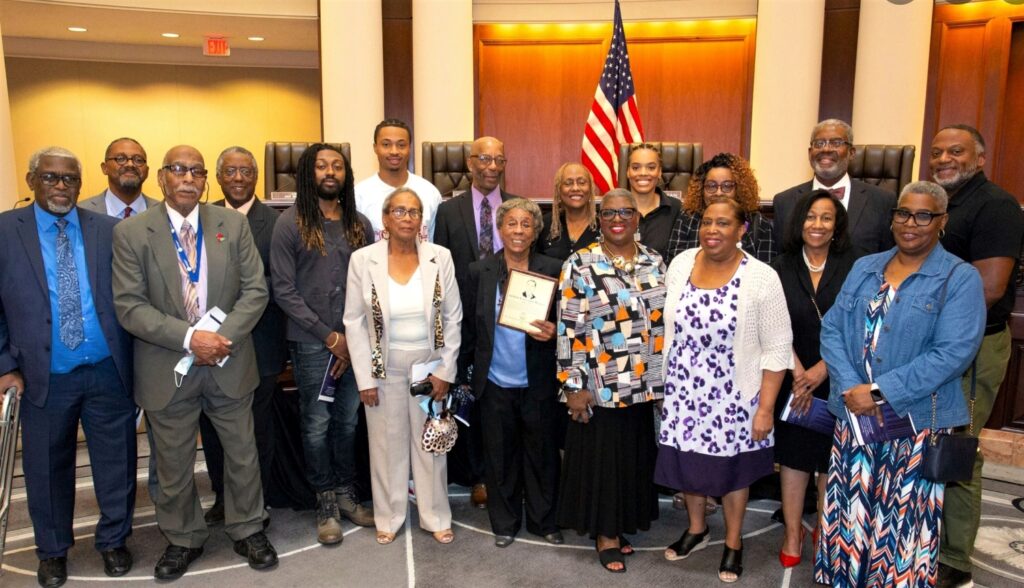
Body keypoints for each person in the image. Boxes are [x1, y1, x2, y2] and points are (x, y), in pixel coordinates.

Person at [112, 145, 277, 579]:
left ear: (206, 180)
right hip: (167, 365)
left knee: (243, 455)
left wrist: (219, 340)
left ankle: (247, 528)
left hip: (228, 359)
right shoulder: (131, 233)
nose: (188, 178)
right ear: (162, 177)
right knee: (173, 463)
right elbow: (130, 306)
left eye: (196, 171)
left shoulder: (232, 225)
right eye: (179, 170)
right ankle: (183, 537)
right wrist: (190, 338)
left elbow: (255, 291)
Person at [815, 181, 986, 587]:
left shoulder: (960, 278)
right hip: (855, 418)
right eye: (903, 213)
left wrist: (877, 392)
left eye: (923, 215)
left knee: (903, 520)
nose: (911, 223)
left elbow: (953, 353)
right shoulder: (865, 266)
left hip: (916, 421)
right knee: (849, 509)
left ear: (942, 221)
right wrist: (852, 387)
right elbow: (833, 329)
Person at [0, 147, 136, 588]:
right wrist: (4, 365)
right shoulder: (4, 231)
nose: (61, 187)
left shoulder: (109, 230)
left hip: (106, 370)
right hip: (43, 375)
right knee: (45, 466)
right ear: (31, 180)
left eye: (69, 180)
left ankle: (114, 540)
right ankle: (53, 550)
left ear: (82, 183)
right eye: (50, 178)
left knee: (116, 461)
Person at [656, 197, 792, 583]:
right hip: (683, 390)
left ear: (742, 229)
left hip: (735, 394)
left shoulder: (762, 276)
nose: (712, 230)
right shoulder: (682, 264)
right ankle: (697, 529)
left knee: (733, 473)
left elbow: (778, 347)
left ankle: (734, 542)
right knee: (688, 465)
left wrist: (765, 409)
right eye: (707, 222)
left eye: (723, 223)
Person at [931, 124, 1024, 588]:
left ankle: (956, 561)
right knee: (929, 445)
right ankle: (927, 540)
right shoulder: (938, 205)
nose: (944, 158)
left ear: (980, 158)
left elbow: (989, 288)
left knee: (959, 450)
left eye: (956, 151)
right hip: (933, 347)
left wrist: (921, 298)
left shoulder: (996, 206)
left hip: (973, 347)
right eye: (937, 152)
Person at [344, 187, 462, 546]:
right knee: (385, 446)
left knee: (431, 442)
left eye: (414, 212)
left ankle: (435, 516)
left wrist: (445, 370)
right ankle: (389, 517)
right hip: (383, 367)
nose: (407, 218)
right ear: (385, 218)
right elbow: (354, 322)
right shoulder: (363, 260)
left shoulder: (440, 257)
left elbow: (453, 318)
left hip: (429, 365)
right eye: (399, 211)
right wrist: (363, 377)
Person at [556, 188, 665, 573]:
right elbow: (570, 328)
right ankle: (605, 534)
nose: (618, 218)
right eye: (609, 213)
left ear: (638, 218)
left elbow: (662, 323)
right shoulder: (580, 263)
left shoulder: (655, 260)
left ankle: (621, 525)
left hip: (644, 383)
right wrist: (572, 386)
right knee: (604, 461)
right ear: (599, 220)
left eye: (626, 212)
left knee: (632, 459)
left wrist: (662, 381)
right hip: (600, 383)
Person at [271, 143, 376, 543]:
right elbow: (284, 290)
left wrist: (352, 337)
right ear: (307, 173)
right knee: (317, 424)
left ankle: (348, 493)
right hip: (313, 342)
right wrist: (329, 336)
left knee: (348, 421)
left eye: (337, 166)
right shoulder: (291, 224)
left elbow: (371, 283)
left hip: (357, 341)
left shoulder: (359, 224)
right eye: (321, 166)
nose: (330, 172)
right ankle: (326, 500)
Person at [460, 198, 563, 548]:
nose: (518, 231)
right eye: (512, 224)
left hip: (538, 380)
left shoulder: (554, 268)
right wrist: (466, 377)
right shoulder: (479, 271)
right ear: (500, 229)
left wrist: (555, 332)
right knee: (499, 459)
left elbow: (570, 323)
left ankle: (543, 520)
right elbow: (470, 330)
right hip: (494, 382)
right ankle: (504, 524)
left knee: (542, 456)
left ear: (535, 231)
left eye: (526, 224)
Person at [770, 190, 860, 570]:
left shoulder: (858, 266)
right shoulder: (779, 266)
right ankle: (793, 532)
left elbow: (859, 326)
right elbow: (771, 323)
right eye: (810, 217)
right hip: (790, 374)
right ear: (799, 222)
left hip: (840, 374)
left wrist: (823, 369)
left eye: (826, 217)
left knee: (829, 461)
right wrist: (798, 372)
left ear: (837, 224)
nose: (817, 225)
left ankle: (825, 529)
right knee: (793, 460)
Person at [199, 146, 287, 526]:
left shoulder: (277, 221)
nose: (238, 178)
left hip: (262, 341)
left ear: (257, 177)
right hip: (209, 344)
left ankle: (258, 497)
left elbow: (280, 280)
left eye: (246, 171)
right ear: (218, 178)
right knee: (214, 427)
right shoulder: (201, 218)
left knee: (258, 427)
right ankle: (222, 496)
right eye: (230, 171)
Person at [433, 136, 520, 508]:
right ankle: (474, 474)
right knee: (468, 396)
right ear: (470, 163)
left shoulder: (517, 209)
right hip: (464, 319)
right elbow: (438, 265)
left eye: (498, 160)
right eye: (483, 158)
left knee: (501, 401)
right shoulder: (448, 211)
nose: (491, 166)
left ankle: (500, 473)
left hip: (508, 323)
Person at [772, 119, 896, 254]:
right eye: (819, 143)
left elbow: (887, 260)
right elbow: (782, 261)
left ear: (852, 152)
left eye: (836, 143)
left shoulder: (882, 201)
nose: (826, 149)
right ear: (809, 153)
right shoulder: (784, 202)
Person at [666, 152, 776, 264]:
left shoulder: (758, 223)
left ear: (739, 190)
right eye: (711, 186)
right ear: (701, 189)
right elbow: (675, 264)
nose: (718, 193)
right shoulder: (687, 218)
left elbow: (766, 270)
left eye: (727, 186)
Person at [355, 118, 443, 242]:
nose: (394, 151)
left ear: (409, 148)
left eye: (401, 145)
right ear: (375, 148)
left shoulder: (430, 193)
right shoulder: (359, 196)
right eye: (386, 144)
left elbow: (437, 247)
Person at [624, 143, 681, 261]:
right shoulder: (612, 210)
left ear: (659, 172)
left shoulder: (678, 209)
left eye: (651, 167)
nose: (643, 173)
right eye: (635, 168)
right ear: (628, 172)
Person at [79, 137, 158, 217]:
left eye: (138, 160)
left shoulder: (164, 212)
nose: (130, 164)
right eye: (120, 159)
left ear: (147, 171)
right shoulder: (82, 212)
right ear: (105, 168)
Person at [536, 162, 599, 261]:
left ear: (590, 188)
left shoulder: (603, 225)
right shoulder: (544, 225)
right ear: (559, 190)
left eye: (582, 182)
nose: (575, 188)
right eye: (568, 183)